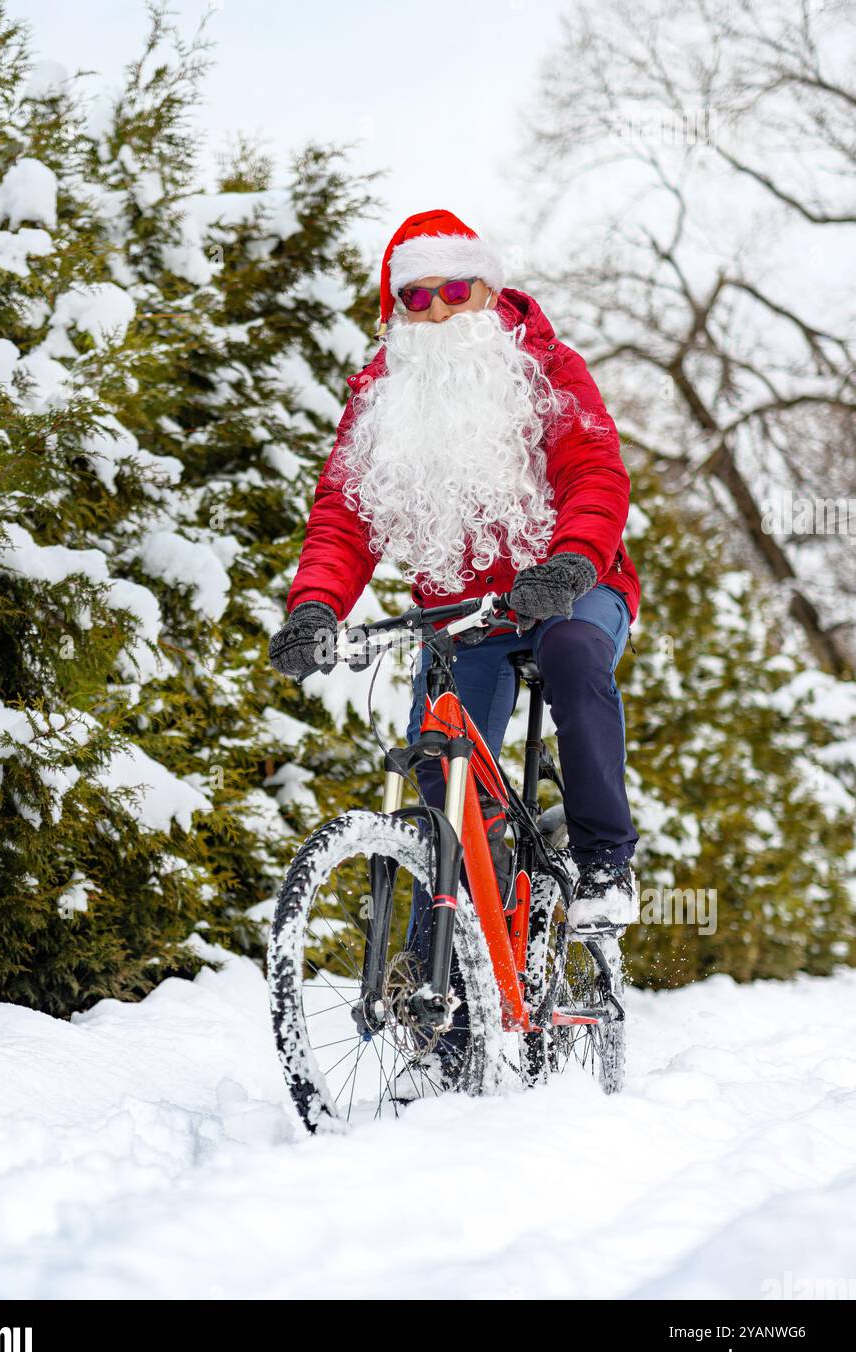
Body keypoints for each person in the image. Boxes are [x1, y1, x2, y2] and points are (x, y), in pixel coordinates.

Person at [269, 209, 641, 936]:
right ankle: (442, 990)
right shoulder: (382, 395)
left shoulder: (547, 368)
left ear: (486, 289)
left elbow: (593, 470)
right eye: (415, 297)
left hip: (573, 586)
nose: (437, 309)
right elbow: (344, 514)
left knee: (571, 652)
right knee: (441, 769)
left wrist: (568, 564)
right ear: (395, 312)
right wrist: (314, 605)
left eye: (455, 289)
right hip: (464, 617)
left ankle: (604, 864)